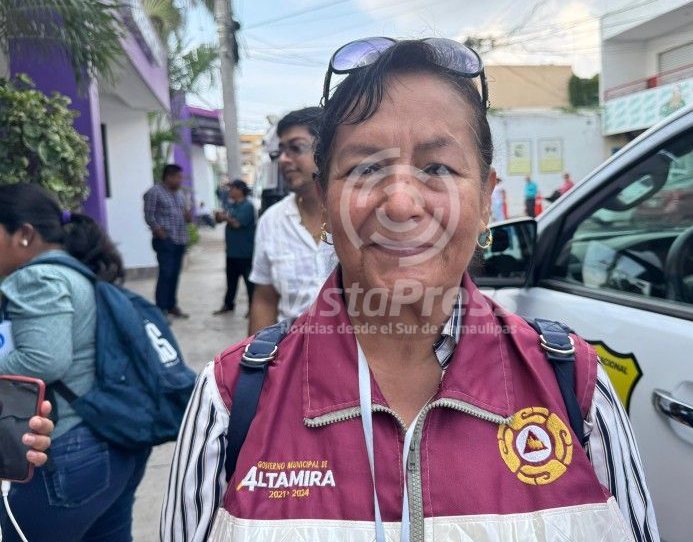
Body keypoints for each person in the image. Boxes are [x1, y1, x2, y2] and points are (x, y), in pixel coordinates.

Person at [162, 38, 658, 541]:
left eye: (438, 168)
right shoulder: (230, 401)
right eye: (365, 168)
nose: (400, 205)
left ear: (485, 199)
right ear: (327, 200)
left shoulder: (573, 384)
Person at [0, 183, 152, 541]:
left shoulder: (37, 276)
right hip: (111, 441)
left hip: (70, 447)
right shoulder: (76, 270)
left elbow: (43, 359)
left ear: (24, 234)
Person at [246, 107, 338, 334]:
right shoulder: (272, 221)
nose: (283, 159)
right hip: (290, 350)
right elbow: (265, 298)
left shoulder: (357, 215)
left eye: (296, 148)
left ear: (328, 148)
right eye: (280, 151)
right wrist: (256, 353)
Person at [143, 164, 191, 319]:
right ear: (169, 177)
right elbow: (149, 215)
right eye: (178, 177)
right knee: (166, 274)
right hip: (166, 240)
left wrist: (188, 215)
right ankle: (161, 309)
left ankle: (171, 306)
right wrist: (160, 232)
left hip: (180, 239)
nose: (180, 180)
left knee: (175, 274)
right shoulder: (154, 192)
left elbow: (183, 215)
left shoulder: (179, 194)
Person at [213, 180, 257, 315]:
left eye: (232, 189)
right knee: (231, 281)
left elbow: (237, 224)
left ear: (240, 190)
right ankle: (228, 304)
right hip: (232, 252)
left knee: (249, 283)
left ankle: (253, 308)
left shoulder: (247, 206)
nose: (229, 191)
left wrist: (226, 217)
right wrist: (219, 216)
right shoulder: (231, 206)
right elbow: (220, 220)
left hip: (245, 252)